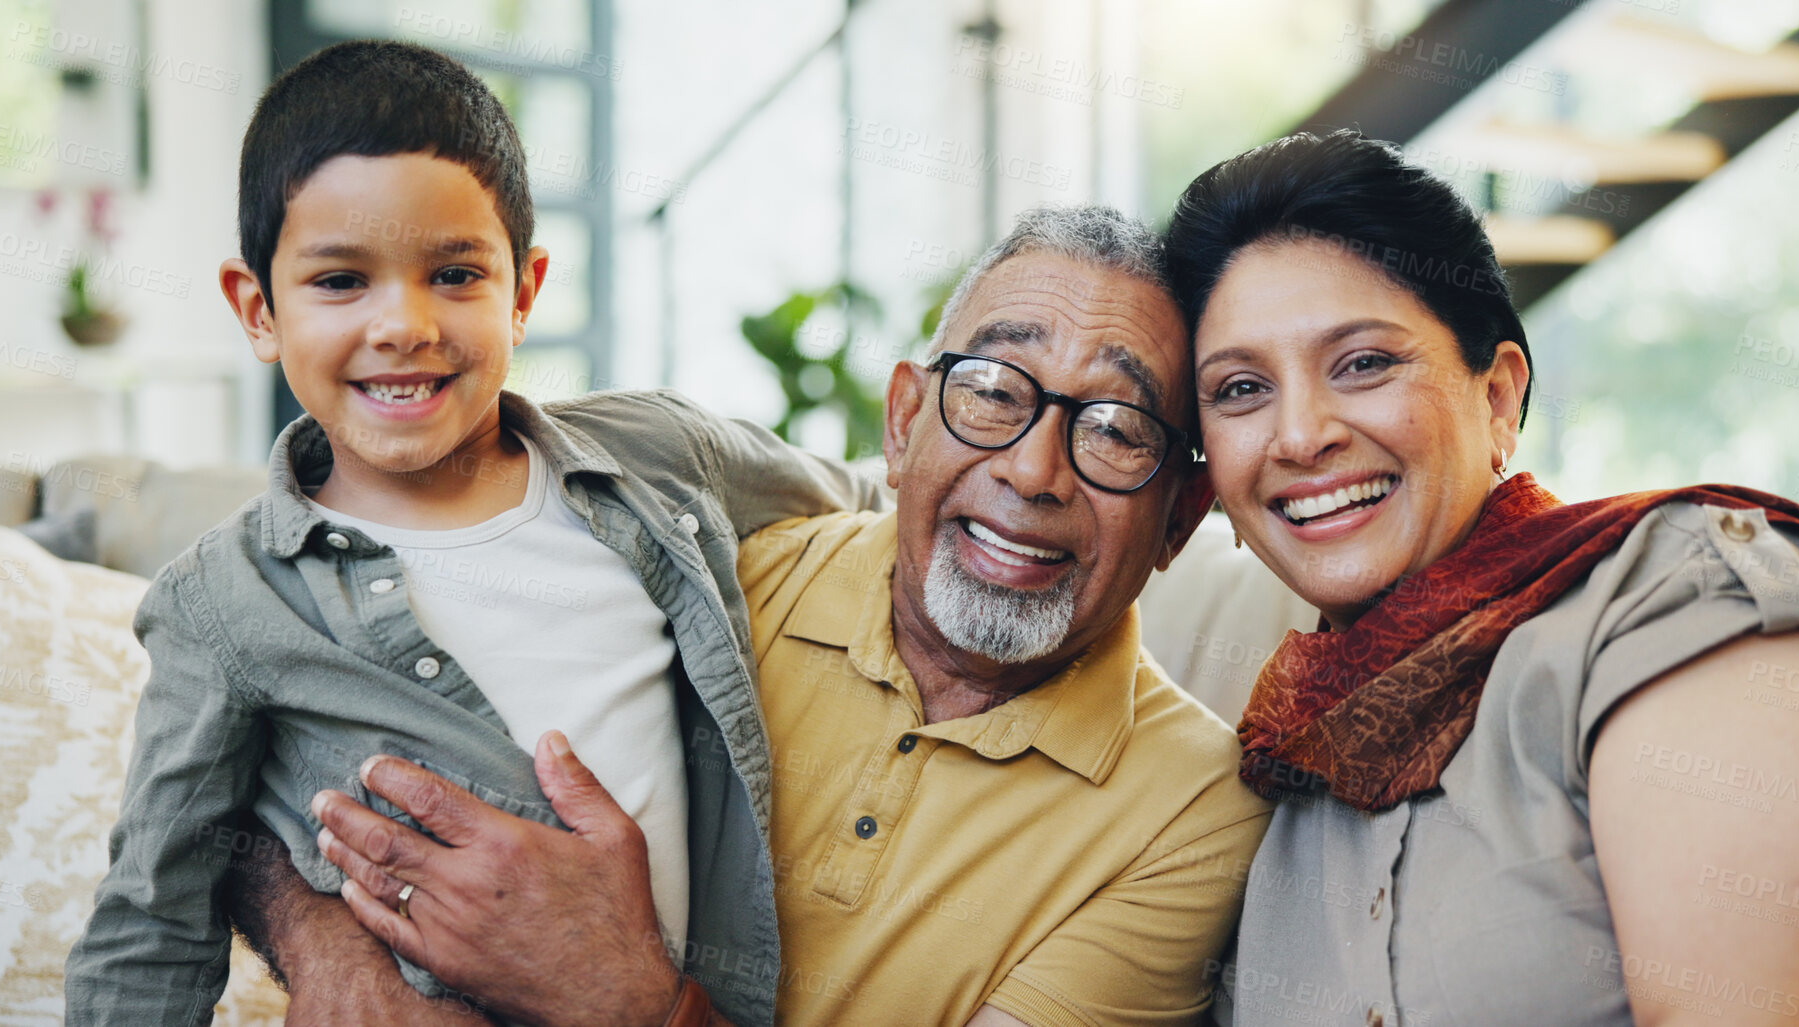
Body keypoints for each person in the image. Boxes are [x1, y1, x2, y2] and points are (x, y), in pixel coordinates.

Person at [269, 206, 1274, 1026]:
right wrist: (331, 955)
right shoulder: (719, 578)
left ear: (1181, 517)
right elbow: (270, 726)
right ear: (904, 419)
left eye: (1116, 430)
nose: (1032, 469)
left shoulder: (1192, 811)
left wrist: (628, 1002)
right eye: (995, 392)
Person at [63, 41, 882, 1027]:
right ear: (258, 309)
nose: (404, 324)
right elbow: (153, 913)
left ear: (524, 291)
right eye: (340, 281)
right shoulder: (223, 600)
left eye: (454, 273)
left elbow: (866, 499)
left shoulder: (659, 455)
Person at [1164, 129, 1799, 1026]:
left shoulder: (1683, 601)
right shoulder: (1284, 770)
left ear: (1496, 397)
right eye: (1238, 390)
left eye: (1364, 363)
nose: (1299, 435)